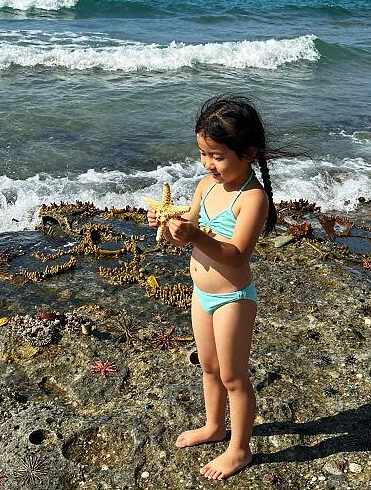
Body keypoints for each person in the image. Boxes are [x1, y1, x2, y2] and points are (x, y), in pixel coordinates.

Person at [147, 95, 277, 480]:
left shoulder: (253, 199)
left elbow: (236, 254)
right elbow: (182, 235)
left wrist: (195, 235)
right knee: (208, 366)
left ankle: (239, 449)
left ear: (249, 152)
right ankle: (214, 426)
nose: (207, 164)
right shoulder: (205, 185)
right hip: (200, 294)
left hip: (232, 298)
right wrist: (169, 226)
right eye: (202, 153)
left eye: (216, 155)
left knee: (234, 376)